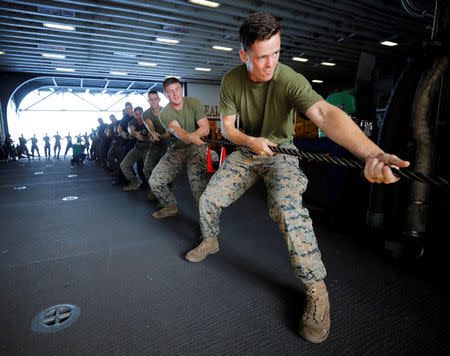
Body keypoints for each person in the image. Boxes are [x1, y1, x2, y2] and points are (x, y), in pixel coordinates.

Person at [184, 12, 410, 344]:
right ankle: (210, 239)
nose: (270, 63)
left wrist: (371, 153)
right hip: (248, 150)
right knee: (209, 198)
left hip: (282, 153)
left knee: (286, 209)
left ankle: (317, 292)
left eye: (276, 52)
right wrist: (251, 142)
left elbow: (325, 113)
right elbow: (230, 129)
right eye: (262, 56)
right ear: (244, 54)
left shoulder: (288, 78)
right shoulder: (231, 80)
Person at [149, 77, 209, 219]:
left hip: (196, 147)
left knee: (198, 188)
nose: (175, 94)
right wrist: (189, 137)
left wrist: (193, 137)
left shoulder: (194, 103)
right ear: (165, 95)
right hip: (177, 149)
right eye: (170, 92)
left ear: (181, 89)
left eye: (177, 89)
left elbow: (205, 128)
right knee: (155, 181)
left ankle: (207, 227)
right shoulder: (165, 113)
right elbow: (179, 132)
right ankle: (171, 206)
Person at [142, 89, 170, 200]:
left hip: (168, 142)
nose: (153, 102)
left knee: (165, 171)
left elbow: (168, 132)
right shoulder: (146, 114)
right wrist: (153, 133)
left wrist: (160, 135)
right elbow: (149, 124)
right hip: (155, 143)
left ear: (159, 99)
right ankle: (155, 191)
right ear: (148, 101)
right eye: (151, 100)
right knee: (147, 169)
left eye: (155, 99)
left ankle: (166, 196)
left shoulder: (167, 112)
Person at [119, 107, 153, 191]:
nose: (139, 117)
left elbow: (153, 134)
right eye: (136, 114)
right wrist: (135, 133)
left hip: (149, 148)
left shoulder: (148, 121)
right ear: (134, 115)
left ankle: (154, 189)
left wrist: (148, 136)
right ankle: (134, 183)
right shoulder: (132, 122)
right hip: (138, 148)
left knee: (147, 169)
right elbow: (131, 129)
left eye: (141, 114)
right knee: (124, 165)